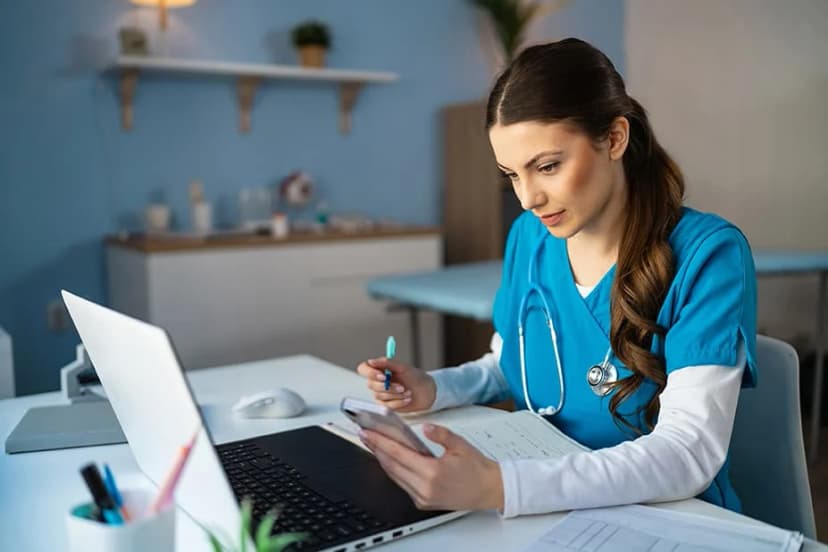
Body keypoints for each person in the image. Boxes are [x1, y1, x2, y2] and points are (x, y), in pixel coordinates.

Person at [356, 37, 757, 518]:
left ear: (614, 138)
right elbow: (513, 362)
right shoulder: (530, 236)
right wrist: (435, 388)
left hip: (667, 518)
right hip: (555, 507)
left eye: (547, 167)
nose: (528, 199)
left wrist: (501, 487)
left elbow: (687, 453)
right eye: (512, 175)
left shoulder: (706, 255)